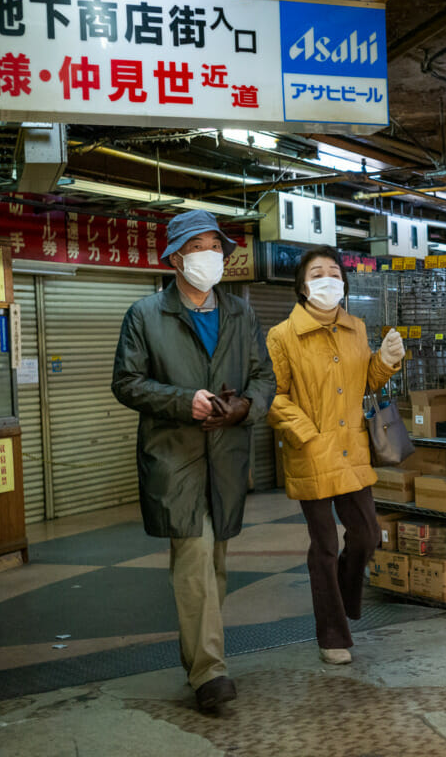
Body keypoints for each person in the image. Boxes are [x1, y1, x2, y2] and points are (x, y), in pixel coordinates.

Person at [111, 210, 275, 715]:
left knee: (216, 564)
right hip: (175, 456)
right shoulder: (145, 315)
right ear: (176, 256)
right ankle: (209, 671)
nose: (211, 255)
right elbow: (127, 382)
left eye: (215, 246)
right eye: (199, 245)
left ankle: (203, 653)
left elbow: (263, 378)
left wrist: (245, 406)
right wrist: (187, 402)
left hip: (226, 456)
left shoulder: (241, 314)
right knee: (195, 555)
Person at [266, 246, 405, 666]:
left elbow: (365, 382)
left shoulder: (356, 328)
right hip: (311, 451)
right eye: (317, 272)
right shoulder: (282, 336)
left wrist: (386, 361)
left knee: (367, 536)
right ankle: (332, 634)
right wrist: (307, 435)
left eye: (334, 272)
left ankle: (340, 600)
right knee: (325, 545)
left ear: (343, 282)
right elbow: (273, 396)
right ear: (303, 284)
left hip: (353, 450)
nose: (327, 278)